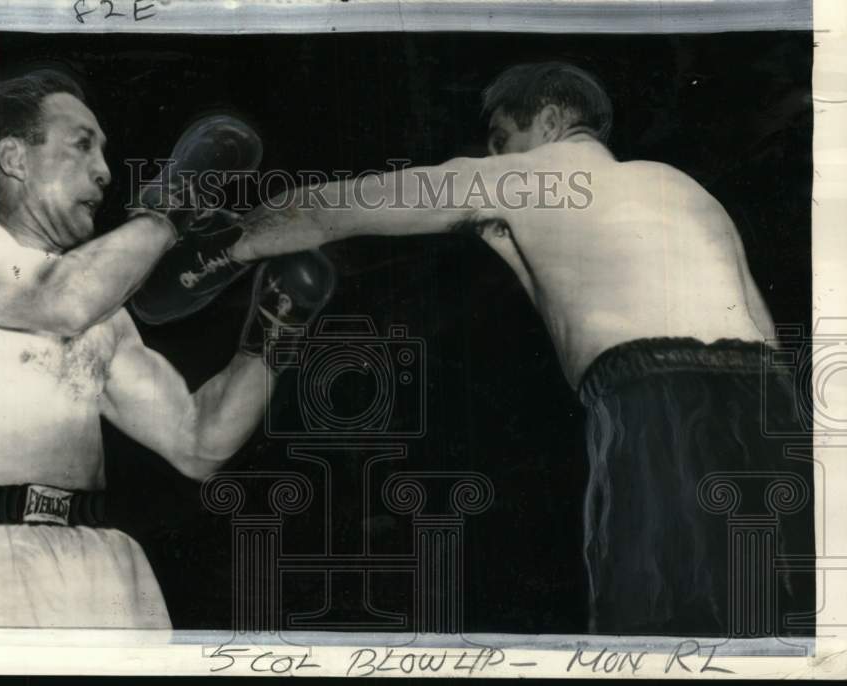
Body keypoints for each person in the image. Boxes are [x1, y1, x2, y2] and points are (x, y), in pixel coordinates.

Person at [165, 62, 811, 636]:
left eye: (503, 137)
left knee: (651, 632)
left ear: (552, 119)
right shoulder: (684, 188)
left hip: (654, 398)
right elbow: (757, 319)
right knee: (787, 621)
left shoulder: (522, 176)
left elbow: (337, 207)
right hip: (771, 405)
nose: (494, 152)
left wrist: (226, 248)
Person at [0, 68, 334, 629]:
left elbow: (198, 442)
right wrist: (171, 208)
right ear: (14, 158)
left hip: (101, 558)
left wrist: (271, 336)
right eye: (81, 145)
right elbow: (64, 299)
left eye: (103, 150)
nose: (104, 171)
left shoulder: (105, 312)